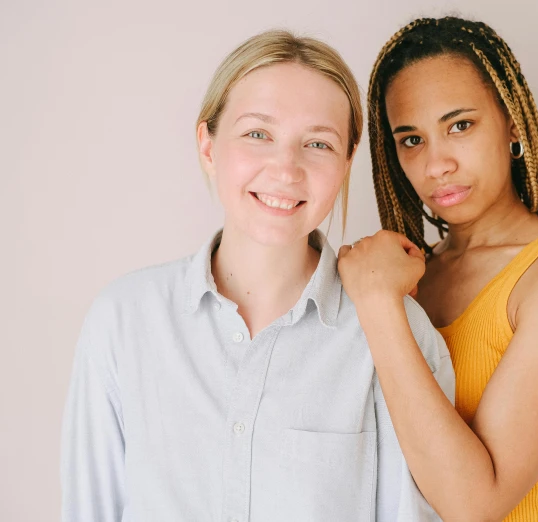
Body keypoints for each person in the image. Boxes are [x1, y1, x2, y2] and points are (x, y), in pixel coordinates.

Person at [61, 29, 453, 522]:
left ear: (346, 162)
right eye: (257, 134)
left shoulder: (398, 334)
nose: (286, 168)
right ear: (208, 145)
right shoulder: (122, 321)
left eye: (318, 143)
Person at [338, 17, 538, 521]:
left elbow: (474, 504)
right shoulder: (410, 274)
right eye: (411, 139)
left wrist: (377, 304)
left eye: (459, 126)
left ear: (511, 123)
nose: (436, 164)